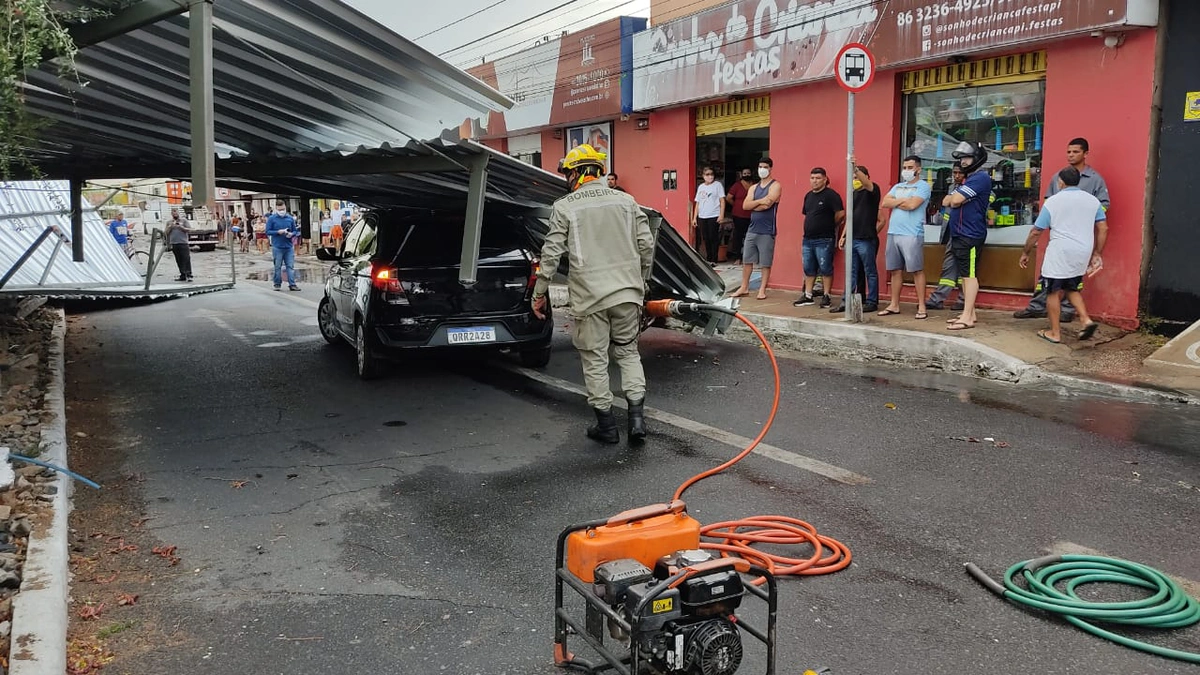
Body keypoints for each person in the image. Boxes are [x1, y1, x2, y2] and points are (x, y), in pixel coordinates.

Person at [531, 144, 654, 445]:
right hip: (627, 294)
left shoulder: (565, 206)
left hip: (590, 298)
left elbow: (550, 255)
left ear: (575, 173)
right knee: (627, 353)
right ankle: (636, 420)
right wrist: (642, 282)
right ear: (599, 171)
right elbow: (646, 245)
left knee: (595, 358)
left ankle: (607, 427)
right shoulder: (627, 201)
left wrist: (539, 292)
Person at [1015, 137, 1111, 321]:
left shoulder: (1095, 179)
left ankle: (1066, 312)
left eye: (1075, 152)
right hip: (1059, 235)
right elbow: (1048, 202)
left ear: (1085, 154)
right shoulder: (1058, 176)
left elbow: (1103, 206)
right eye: (1068, 152)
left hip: (1081, 235)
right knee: (1047, 274)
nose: (1071, 155)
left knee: (1074, 278)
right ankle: (1037, 307)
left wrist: (1083, 216)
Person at [1019, 166, 1107, 343]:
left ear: (1061, 182)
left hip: (1060, 252)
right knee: (1071, 287)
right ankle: (1085, 320)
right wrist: (1097, 252)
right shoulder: (1092, 201)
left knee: (1052, 291)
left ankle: (1054, 332)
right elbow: (1103, 227)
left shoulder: (1053, 201)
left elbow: (1036, 231)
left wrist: (1025, 251)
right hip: (1083, 251)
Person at [943, 141, 991, 330]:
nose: (963, 162)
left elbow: (954, 200)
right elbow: (948, 200)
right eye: (962, 158)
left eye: (967, 158)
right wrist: (953, 200)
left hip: (969, 235)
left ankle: (967, 317)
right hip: (960, 234)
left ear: (977, 158)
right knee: (965, 275)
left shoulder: (980, 178)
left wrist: (954, 200)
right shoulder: (969, 179)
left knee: (969, 276)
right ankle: (969, 312)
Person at [878, 155, 932, 319]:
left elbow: (912, 205)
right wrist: (903, 200)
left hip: (912, 233)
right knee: (895, 270)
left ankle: (922, 306)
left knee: (916, 270)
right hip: (893, 232)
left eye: (910, 168)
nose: (906, 171)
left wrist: (898, 201)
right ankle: (894, 304)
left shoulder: (923, 186)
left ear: (918, 169)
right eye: (905, 168)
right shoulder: (898, 186)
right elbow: (885, 202)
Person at [833, 162, 882, 313]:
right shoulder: (853, 194)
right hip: (852, 239)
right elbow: (850, 218)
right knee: (851, 272)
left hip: (866, 239)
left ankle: (872, 301)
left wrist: (855, 168)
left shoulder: (873, 191)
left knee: (870, 271)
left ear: (866, 177)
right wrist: (843, 236)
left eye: (857, 177)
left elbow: (867, 184)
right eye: (853, 177)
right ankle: (846, 301)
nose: (855, 179)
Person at [732, 158, 781, 300]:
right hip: (752, 229)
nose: (762, 169)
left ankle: (762, 289)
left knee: (765, 262)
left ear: (770, 168)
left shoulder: (775, 185)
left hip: (767, 230)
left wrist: (754, 204)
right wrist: (759, 201)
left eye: (765, 167)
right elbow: (745, 206)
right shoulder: (754, 187)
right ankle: (744, 287)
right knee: (747, 259)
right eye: (760, 167)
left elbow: (768, 204)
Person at [795, 168, 844, 308]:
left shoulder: (831, 195)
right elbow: (807, 214)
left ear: (824, 179)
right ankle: (808, 295)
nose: (814, 181)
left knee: (825, 268)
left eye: (817, 178)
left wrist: (829, 224)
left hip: (825, 239)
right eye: (812, 178)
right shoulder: (808, 196)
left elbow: (840, 214)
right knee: (808, 268)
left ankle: (826, 295)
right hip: (808, 238)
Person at [692, 167, 725, 265]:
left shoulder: (717, 185)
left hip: (714, 215)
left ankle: (714, 259)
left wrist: (721, 215)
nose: (710, 176)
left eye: (711, 174)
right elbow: (697, 203)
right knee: (705, 238)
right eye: (707, 174)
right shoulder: (701, 187)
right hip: (702, 216)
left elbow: (722, 200)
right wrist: (694, 218)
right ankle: (708, 258)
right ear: (703, 176)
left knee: (713, 237)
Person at [267, 200, 300, 291]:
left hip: (289, 246)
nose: (282, 211)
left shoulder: (290, 218)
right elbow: (268, 231)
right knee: (277, 266)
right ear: (276, 208)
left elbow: (295, 231)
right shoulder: (272, 219)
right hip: (277, 246)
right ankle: (277, 283)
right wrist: (278, 232)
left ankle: (292, 284)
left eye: (283, 209)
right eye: (280, 209)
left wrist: (291, 234)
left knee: (290, 266)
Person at [726, 168, 754, 265]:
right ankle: (738, 257)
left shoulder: (755, 185)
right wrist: (736, 205)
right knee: (738, 236)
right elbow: (728, 198)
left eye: (748, 173)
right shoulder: (737, 185)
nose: (746, 174)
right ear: (741, 174)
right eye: (745, 173)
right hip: (738, 215)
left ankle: (750, 258)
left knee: (751, 237)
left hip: (752, 215)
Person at [163, 208, 193, 282]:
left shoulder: (184, 221)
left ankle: (188, 275)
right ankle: (182, 274)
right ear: (171, 214)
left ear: (178, 213)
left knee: (186, 259)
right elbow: (165, 233)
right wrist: (170, 227)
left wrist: (181, 227)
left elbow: (189, 229)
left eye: (175, 212)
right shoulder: (169, 222)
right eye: (173, 213)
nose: (174, 214)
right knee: (178, 260)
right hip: (174, 243)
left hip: (183, 243)